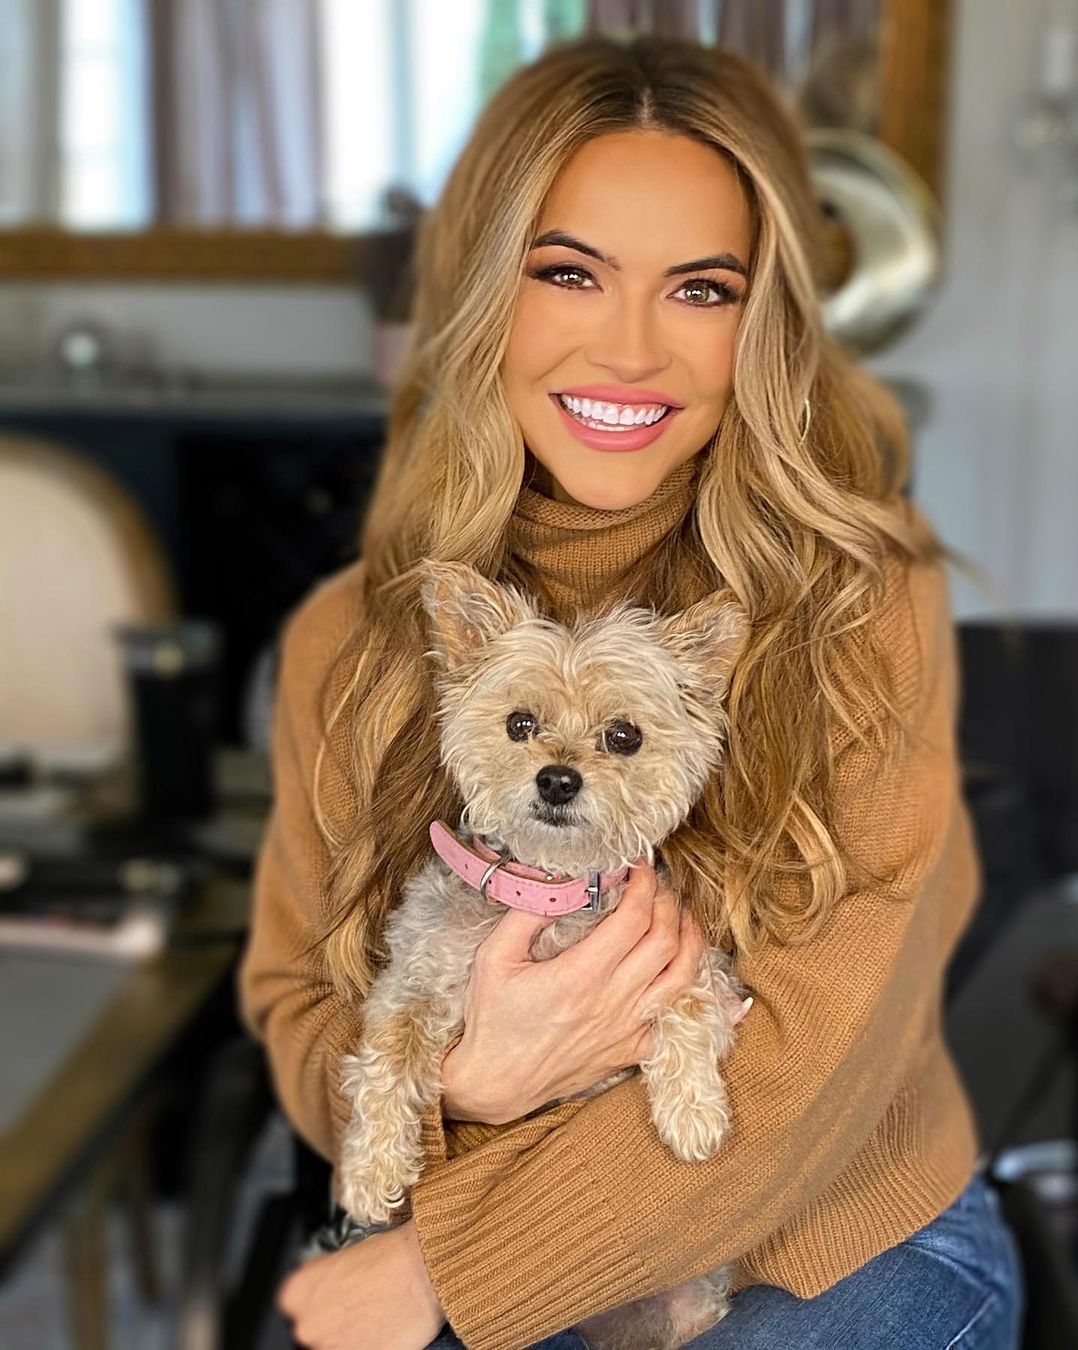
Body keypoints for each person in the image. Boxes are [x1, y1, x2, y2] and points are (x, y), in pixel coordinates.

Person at [239, 34, 1024, 1350]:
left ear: (764, 316)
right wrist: (462, 1081)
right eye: (569, 271)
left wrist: (447, 1271)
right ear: (485, 289)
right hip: (477, 1190)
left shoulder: (861, 600)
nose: (632, 350)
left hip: (824, 1233)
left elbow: (814, 1070)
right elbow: (296, 1002)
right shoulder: (350, 636)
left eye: (701, 289)